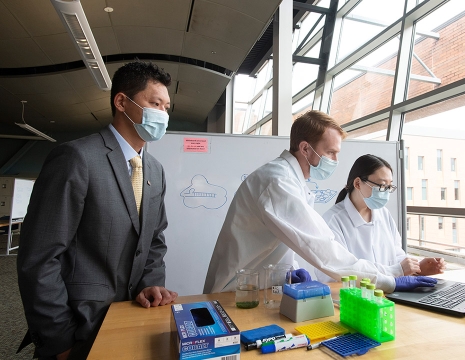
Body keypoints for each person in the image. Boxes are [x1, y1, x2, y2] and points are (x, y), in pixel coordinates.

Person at [17, 61, 178, 360]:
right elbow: (39, 257)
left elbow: (154, 239)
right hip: (79, 328)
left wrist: (151, 285)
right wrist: (58, 340)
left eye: (167, 108)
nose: (163, 115)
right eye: (155, 103)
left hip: (133, 317)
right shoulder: (77, 158)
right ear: (121, 102)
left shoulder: (155, 169)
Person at [203, 111, 433, 295]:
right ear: (305, 148)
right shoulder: (278, 182)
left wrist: (291, 272)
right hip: (237, 294)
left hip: (259, 289)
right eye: (331, 153)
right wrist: (390, 280)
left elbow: (283, 242)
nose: (335, 161)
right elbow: (326, 252)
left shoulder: (291, 180)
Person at [315, 154, 446, 288]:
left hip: (390, 294)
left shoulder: (383, 214)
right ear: (358, 183)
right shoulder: (332, 221)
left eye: (389, 187)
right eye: (382, 186)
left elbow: (396, 257)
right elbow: (335, 273)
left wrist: (417, 268)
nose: (386, 192)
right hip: (356, 300)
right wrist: (397, 271)